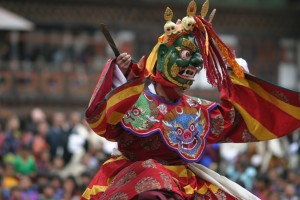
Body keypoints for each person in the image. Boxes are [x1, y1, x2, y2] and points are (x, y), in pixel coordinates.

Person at [81, 1, 300, 199]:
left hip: (184, 182)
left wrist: (237, 81)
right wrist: (123, 82)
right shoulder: (134, 100)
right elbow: (102, 122)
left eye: (198, 58)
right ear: (163, 56)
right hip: (137, 177)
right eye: (186, 55)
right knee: (152, 190)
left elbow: (240, 120)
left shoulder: (199, 110)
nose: (195, 64)